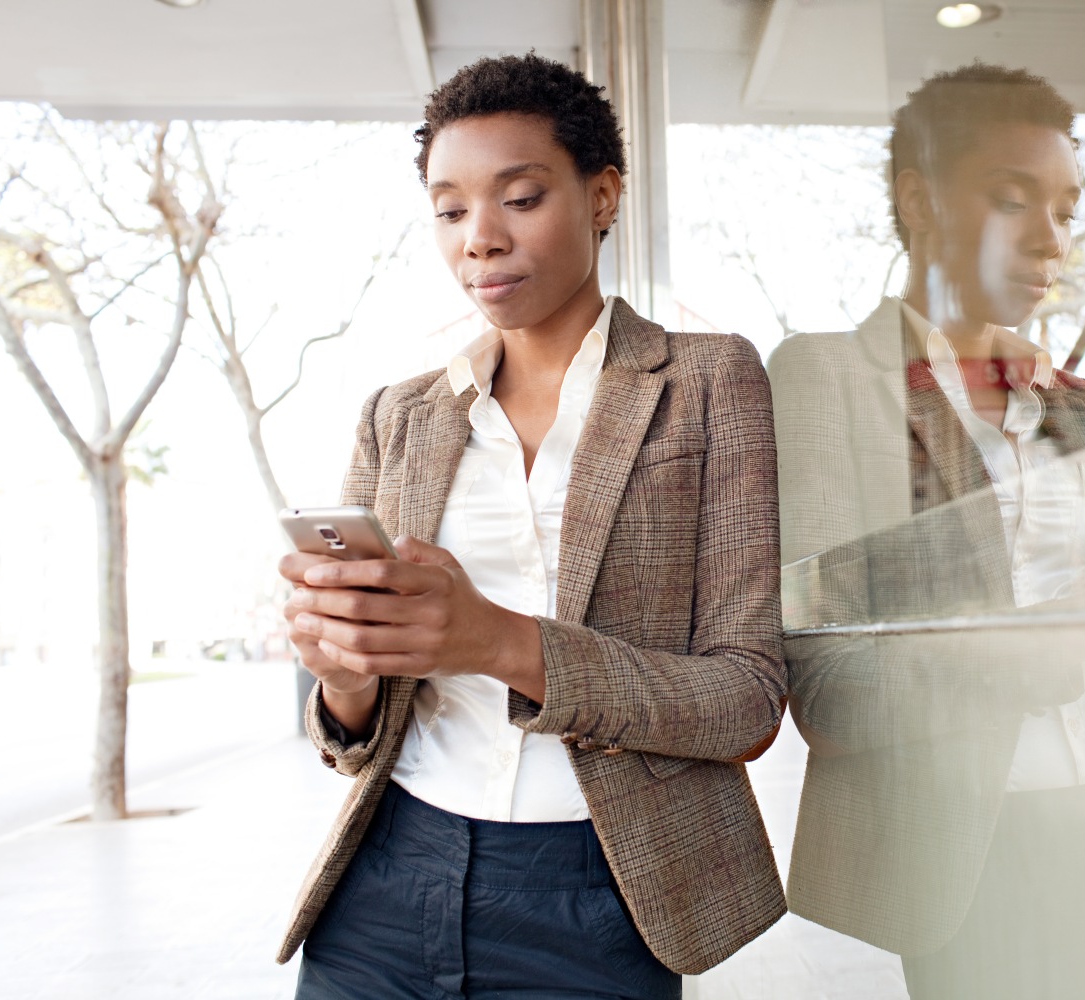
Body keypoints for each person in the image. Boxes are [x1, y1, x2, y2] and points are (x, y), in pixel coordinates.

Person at [770, 63, 1085, 999]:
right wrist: (1054, 638)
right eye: (1013, 201)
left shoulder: (1082, 408)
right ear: (919, 202)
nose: (1051, 239)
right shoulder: (830, 383)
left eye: (1065, 208)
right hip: (986, 857)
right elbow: (833, 689)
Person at [275, 53, 786, 1000]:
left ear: (602, 196)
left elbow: (746, 699)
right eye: (451, 209)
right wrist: (343, 676)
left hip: (598, 890)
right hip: (388, 878)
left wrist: (497, 642)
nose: (480, 238)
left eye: (519, 197)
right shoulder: (402, 414)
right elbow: (349, 734)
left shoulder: (710, 382)